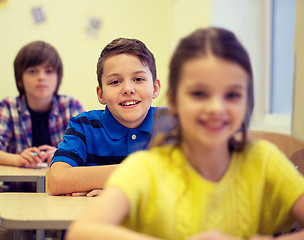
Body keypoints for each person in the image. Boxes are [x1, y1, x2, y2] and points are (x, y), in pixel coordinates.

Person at [65, 27, 304, 240]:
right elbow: (81, 232)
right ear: (174, 101)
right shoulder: (149, 168)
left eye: (232, 95)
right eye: (199, 94)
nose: (215, 108)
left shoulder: (264, 160)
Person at [0, 40, 83, 240]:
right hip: (17, 198)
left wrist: (62, 156)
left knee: (80, 232)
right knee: (6, 235)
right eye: (33, 71)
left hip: (62, 198)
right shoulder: (8, 106)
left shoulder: (71, 106)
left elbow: (87, 153)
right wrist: (17, 159)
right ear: (20, 79)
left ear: (58, 77)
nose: (42, 78)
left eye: (49, 71)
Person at [48, 38, 173, 197]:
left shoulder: (171, 122)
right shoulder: (84, 126)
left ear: (155, 88)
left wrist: (118, 188)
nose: (128, 89)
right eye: (115, 82)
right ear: (101, 95)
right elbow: (56, 181)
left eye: (139, 79)